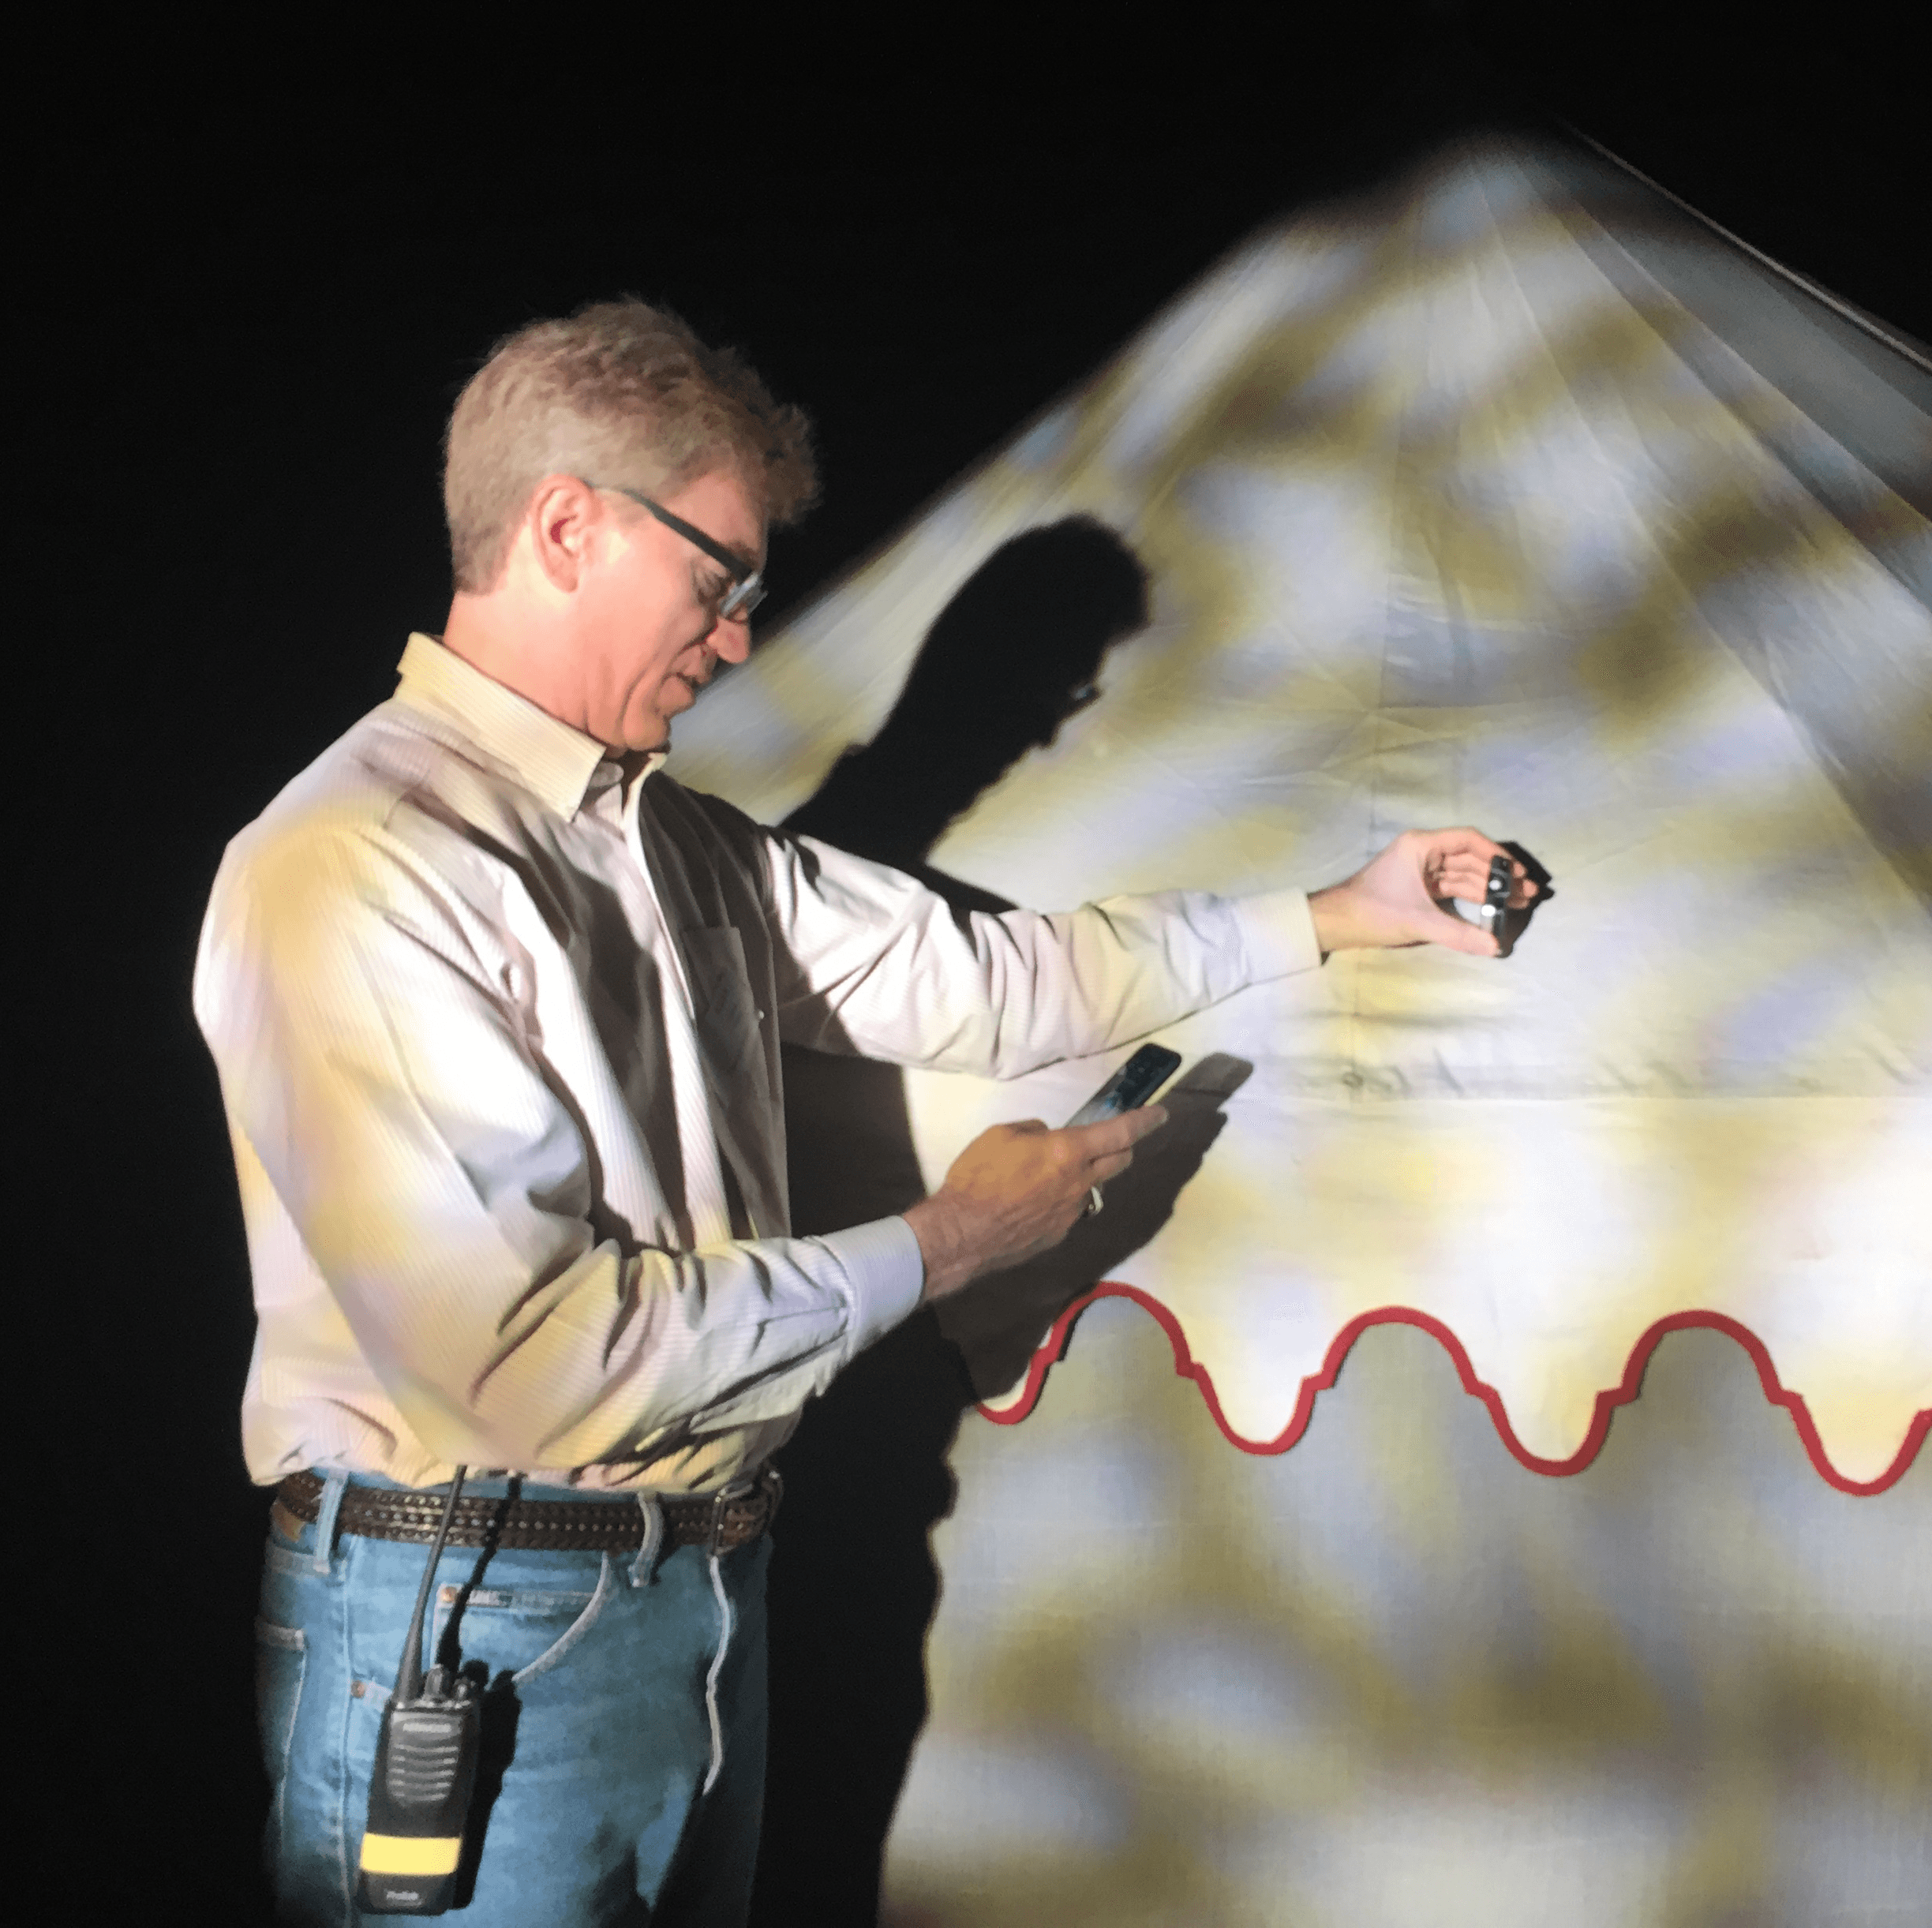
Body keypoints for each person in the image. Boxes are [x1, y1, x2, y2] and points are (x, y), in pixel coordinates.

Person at [193, 297, 1537, 1927]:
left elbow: (997, 984)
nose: (744, 634)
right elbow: (529, 1363)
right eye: (721, 577)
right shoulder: (357, 869)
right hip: (469, 1625)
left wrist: (1335, 909)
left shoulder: (680, 848)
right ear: (566, 528)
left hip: (694, 1590)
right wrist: (955, 1239)